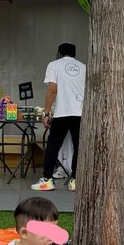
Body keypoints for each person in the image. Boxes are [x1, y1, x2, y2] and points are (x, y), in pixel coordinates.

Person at [31, 42, 86, 192]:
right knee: (79, 147)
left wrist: (46, 113)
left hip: (62, 112)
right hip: (80, 112)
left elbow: (52, 90)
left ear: (59, 53)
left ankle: (47, 180)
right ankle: (75, 180)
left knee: (53, 146)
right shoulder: (84, 67)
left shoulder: (54, 65)